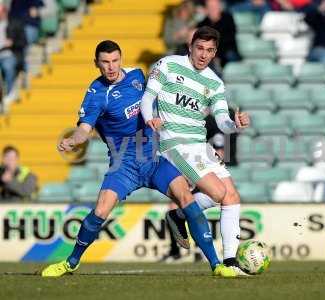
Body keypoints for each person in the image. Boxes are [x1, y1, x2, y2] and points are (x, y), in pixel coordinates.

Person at [41, 40, 236, 278]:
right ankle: (71, 262)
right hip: (124, 163)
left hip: (154, 156)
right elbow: (84, 129)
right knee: (101, 210)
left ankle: (217, 265)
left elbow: (160, 97)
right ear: (96, 64)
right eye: (105, 62)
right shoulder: (96, 94)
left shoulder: (136, 75)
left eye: (115, 61)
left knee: (186, 197)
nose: (111, 67)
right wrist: (74, 140)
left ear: (121, 59)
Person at [140, 26, 250, 274]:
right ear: (191, 46)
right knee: (219, 192)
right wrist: (150, 119)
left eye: (209, 50)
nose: (203, 55)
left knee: (231, 196)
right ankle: (182, 218)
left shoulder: (214, 81)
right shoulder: (167, 65)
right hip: (174, 143)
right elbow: (148, 98)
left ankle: (230, 261)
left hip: (200, 145)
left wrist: (235, 125)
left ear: (215, 52)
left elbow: (222, 121)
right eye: (200, 48)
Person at [197, 0, 241, 67]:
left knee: (230, 55)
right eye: (211, 7)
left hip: (227, 51)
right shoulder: (202, 24)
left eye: (215, 6)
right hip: (210, 53)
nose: (213, 9)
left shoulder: (228, 18)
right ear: (206, 9)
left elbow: (230, 38)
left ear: (220, 7)